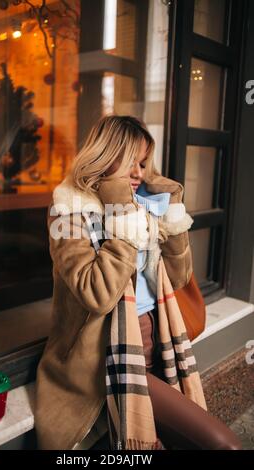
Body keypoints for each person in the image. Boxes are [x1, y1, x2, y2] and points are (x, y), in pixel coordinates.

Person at [35, 115, 242, 450]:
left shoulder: (142, 204)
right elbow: (97, 294)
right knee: (222, 444)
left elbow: (178, 278)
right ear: (105, 154)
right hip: (108, 353)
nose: (138, 172)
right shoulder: (70, 210)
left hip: (159, 339)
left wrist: (172, 211)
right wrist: (122, 216)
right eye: (130, 160)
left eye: (143, 162)